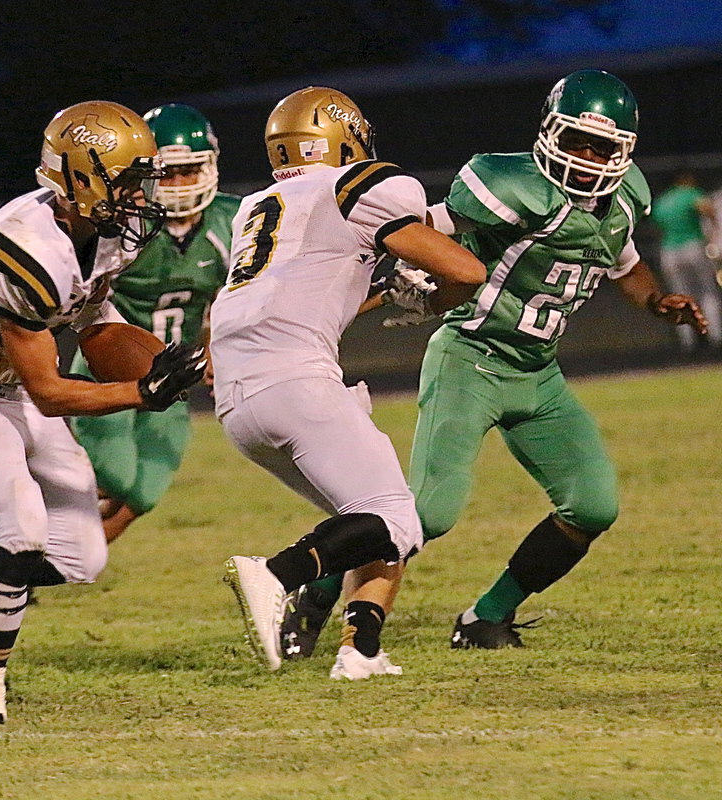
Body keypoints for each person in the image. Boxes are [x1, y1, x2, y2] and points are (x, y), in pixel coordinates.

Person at [284, 69, 708, 657]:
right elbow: (420, 229)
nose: (586, 158)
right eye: (576, 142)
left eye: (601, 147)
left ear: (624, 151)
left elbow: (625, 262)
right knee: (426, 513)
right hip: (471, 359)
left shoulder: (627, 195)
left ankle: (486, 618)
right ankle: (316, 583)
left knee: (592, 505)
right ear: (549, 134)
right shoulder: (508, 182)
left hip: (540, 373)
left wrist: (657, 301)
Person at [0, 100, 206, 726]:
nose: (140, 194)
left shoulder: (99, 234)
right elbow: (48, 390)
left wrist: (172, 366)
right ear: (79, 179)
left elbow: (95, 328)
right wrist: (143, 393)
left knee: (81, 557)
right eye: (126, 180)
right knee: (19, 530)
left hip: (20, 380)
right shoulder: (26, 248)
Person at [212, 87, 487, 677]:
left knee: (369, 519)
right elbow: (465, 269)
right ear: (345, 139)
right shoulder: (359, 184)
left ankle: (359, 651)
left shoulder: (255, 208)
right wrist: (437, 291)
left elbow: (325, 284)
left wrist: (391, 286)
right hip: (295, 379)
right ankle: (276, 575)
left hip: (236, 400)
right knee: (395, 520)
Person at [69, 103, 239, 542]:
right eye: (167, 174)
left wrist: (215, 349)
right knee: (118, 477)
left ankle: (67, 558)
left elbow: (227, 298)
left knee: (146, 490)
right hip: (110, 363)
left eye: (188, 171)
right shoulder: (124, 224)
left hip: (176, 369)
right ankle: (42, 539)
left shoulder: (232, 220)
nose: (178, 184)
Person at [650, 171, 721, 351]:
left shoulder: (662, 201)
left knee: (679, 298)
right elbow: (707, 208)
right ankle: (715, 337)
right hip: (693, 246)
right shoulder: (690, 193)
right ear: (686, 180)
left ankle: (688, 343)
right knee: (707, 292)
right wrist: (714, 233)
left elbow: (657, 227)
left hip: (669, 251)